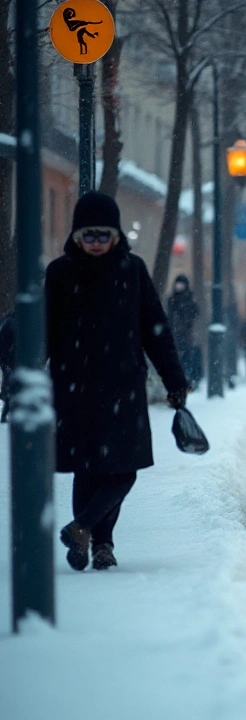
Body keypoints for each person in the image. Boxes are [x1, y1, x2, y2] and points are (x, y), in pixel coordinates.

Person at [45, 192, 187, 571]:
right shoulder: (60, 274)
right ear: (76, 236)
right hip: (74, 388)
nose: (95, 243)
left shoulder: (132, 270)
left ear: (115, 236)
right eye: (88, 236)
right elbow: (42, 330)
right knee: (88, 469)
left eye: (102, 235)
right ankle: (98, 545)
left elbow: (155, 330)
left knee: (123, 469)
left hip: (122, 386)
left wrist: (175, 380)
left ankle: (84, 528)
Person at [166, 274, 201, 390]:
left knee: (187, 360)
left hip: (187, 337)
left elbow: (195, 315)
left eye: (181, 284)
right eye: (178, 284)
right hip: (174, 336)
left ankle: (188, 381)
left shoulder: (189, 299)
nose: (179, 287)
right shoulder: (171, 300)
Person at [0, 310, 13, 423]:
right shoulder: (12, 324)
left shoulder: (5, 323)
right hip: (10, 358)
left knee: (8, 382)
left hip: (5, 359)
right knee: (11, 383)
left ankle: (5, 412)